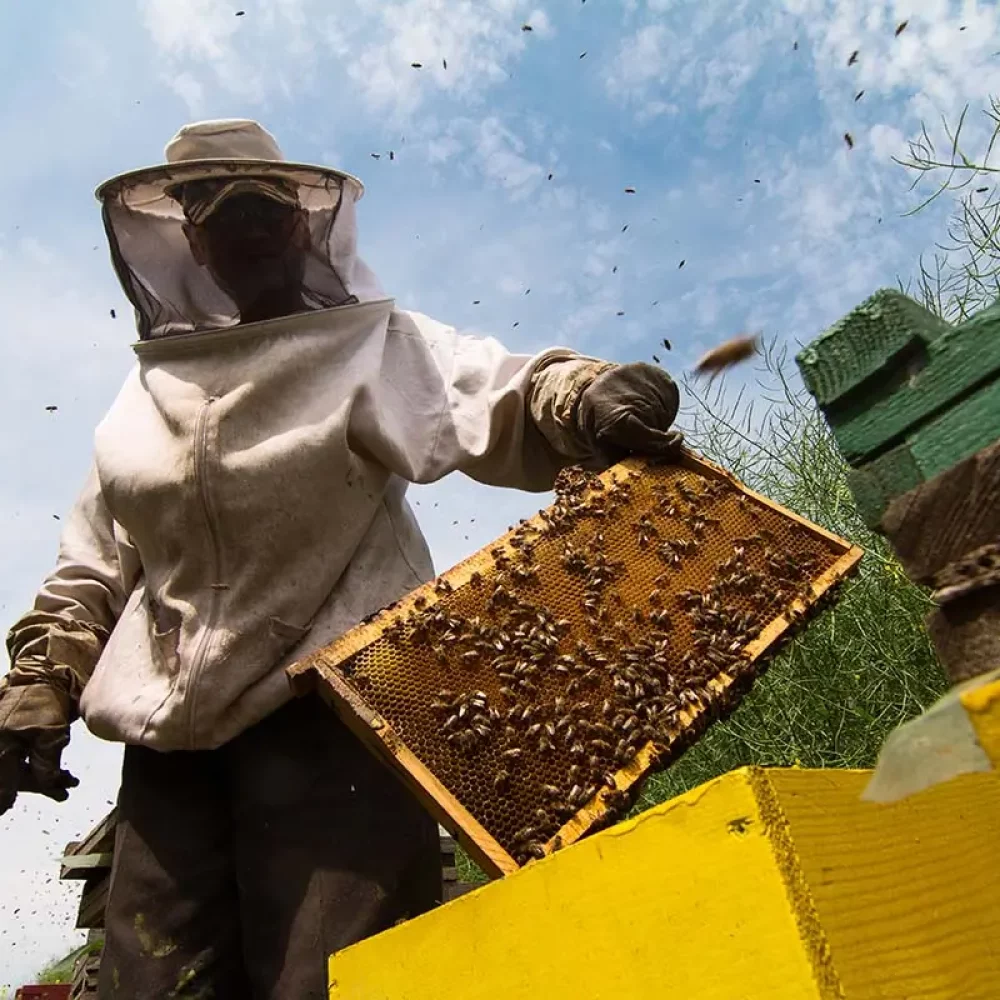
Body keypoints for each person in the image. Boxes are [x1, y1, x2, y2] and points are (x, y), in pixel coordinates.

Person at [0, 119, 683, 998]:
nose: (248, 233)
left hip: (341, 722)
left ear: (304, 227)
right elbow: (93, 563)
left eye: (266, 212)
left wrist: (586, 396)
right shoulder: (143, 398)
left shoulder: (374, 344)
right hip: (169, 757)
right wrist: (37, 686)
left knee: (333, 983)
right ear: (192, 245)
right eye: (221, 218)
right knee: (155, 984)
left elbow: (495, 389)